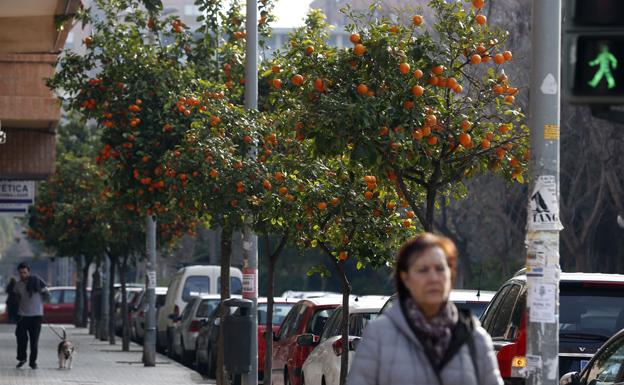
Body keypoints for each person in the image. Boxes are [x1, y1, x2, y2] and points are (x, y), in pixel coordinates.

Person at [346, 233, 503, 385]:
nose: (433, 278)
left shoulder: (475, 338)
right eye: (423, 270)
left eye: (440, 269)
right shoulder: (379, 335)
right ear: (405, 278)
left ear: (451, 274)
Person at [13, 262, 48, 369]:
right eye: (20, 273)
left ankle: (33, 362)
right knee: (21, 338)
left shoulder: (38, 282)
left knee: (34, 341)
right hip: (23, 316)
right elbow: (17, 298)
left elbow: (47, 295)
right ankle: (22, 358)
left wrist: (40, 305)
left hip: (36, 317)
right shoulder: (18, 285)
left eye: (24, 272)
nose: (23, 275)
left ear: (28, 271)